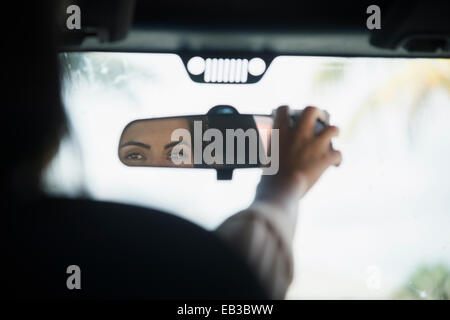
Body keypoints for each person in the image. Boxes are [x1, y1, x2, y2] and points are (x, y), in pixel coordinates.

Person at [4, 2, 341, 300]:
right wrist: (283, 187)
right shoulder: (173, 264)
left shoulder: (46, 251)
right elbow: (233, 293)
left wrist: (280, 190)